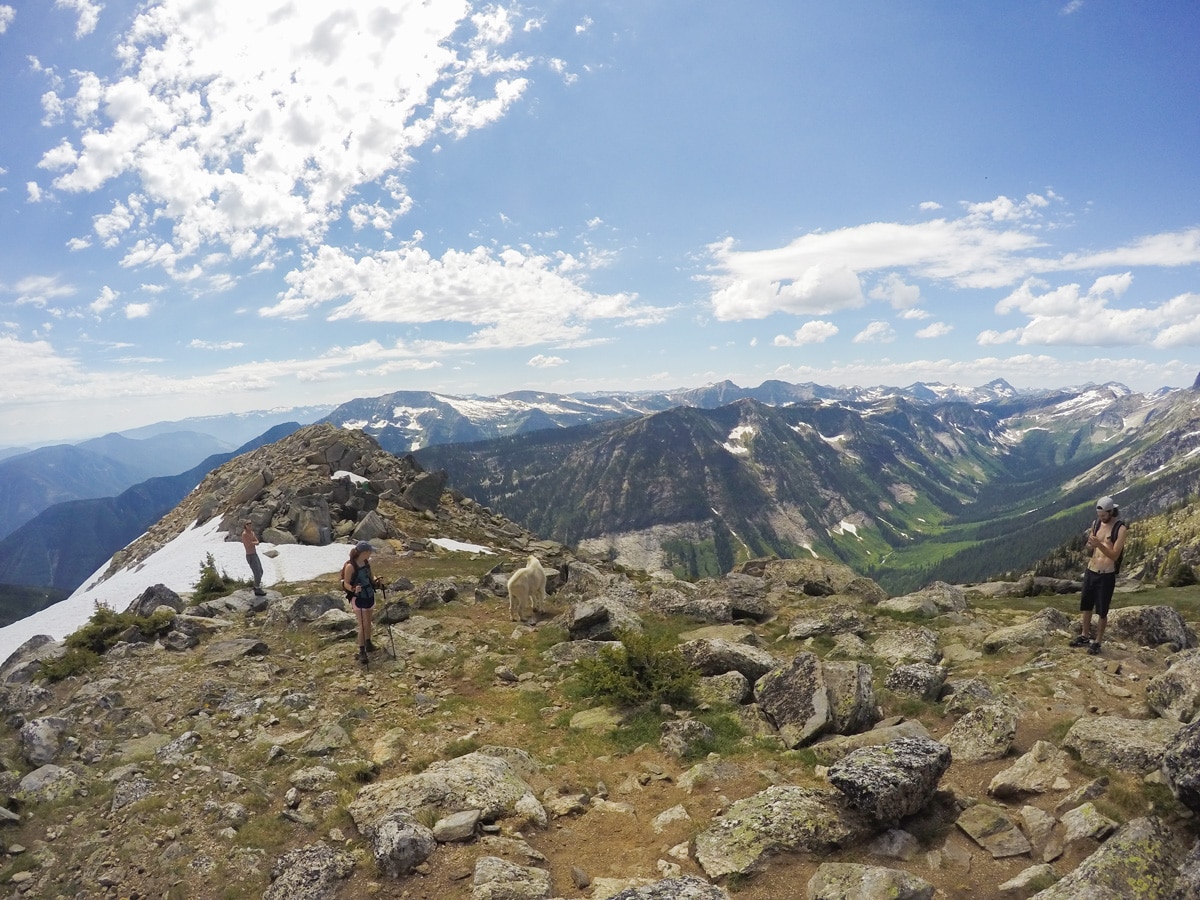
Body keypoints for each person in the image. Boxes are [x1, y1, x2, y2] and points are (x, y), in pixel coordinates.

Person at [1069, 496, 1127, 656]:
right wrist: (1090, 543)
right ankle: (1084, 635)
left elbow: (1115, 555)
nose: (1100, 518)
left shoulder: (1120, 529)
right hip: (1091, 570)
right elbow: (1090, 547)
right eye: (1099, 515)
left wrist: (1099, 544)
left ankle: (1098, 641)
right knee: (1086, 605)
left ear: (1111, 511)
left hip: (1106, 574)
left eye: (1103, 516)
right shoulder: (1096, 524)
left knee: (1102, 610)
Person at [342, 540, 383, 664]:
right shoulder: (350, 566)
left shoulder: (366, 563)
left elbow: (371, 577)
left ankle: (368, 643)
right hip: (358, 598)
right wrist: (354, 589)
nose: (371, 553)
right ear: (364, 552)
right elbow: (345, 583)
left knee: (368, 622)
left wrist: (377, 581)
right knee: (363, 625)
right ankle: (361, 651)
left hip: (369, 595)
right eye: (370, 551)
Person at [241, 521, 267, 597]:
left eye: (250, 524)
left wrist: (253, 542)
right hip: (250, 555)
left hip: (255, 554)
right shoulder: (245, 534)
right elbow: (248, 544)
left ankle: (256, 586)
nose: (249, 525)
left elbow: (257, 542)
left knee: (261, 571)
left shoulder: (252, 533)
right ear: (245, 526)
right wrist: (253, 542)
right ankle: (257, 588)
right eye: (247, 524)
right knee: (257, 573)